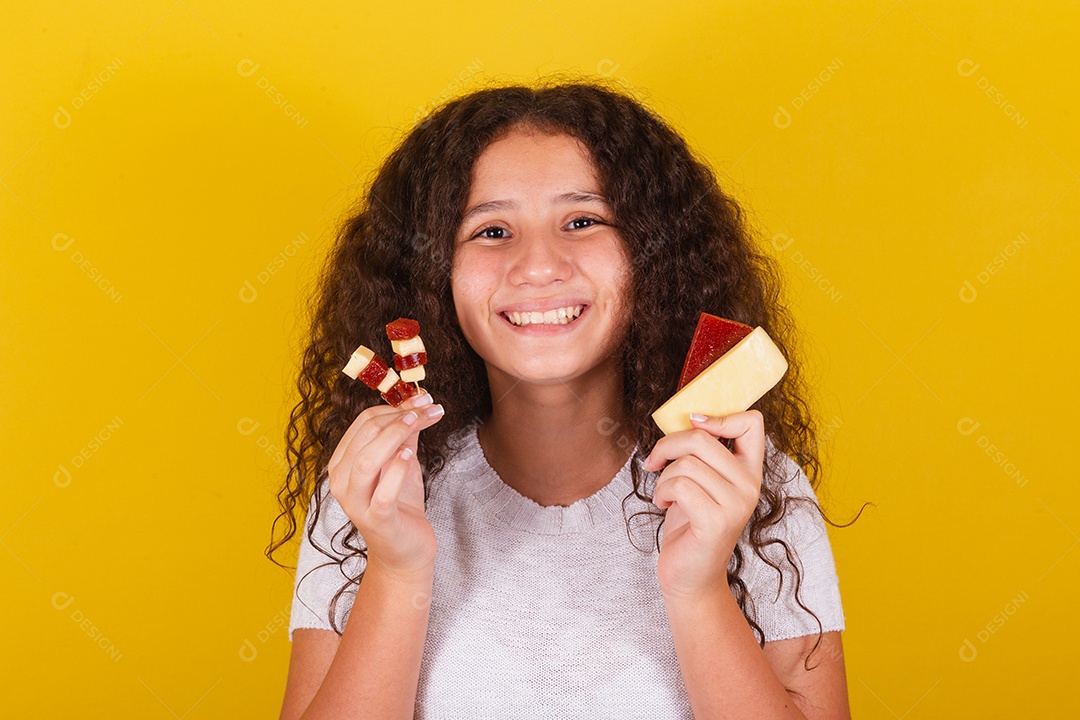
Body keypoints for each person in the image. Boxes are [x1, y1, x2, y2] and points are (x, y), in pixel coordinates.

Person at [268, 79, 853, 719]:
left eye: (583, 221)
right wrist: (396, 566)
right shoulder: (373, 492)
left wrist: (699, 587)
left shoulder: (751, 489)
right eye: (491, 230)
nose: (539, 265)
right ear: (433, 273)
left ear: (653, 254)